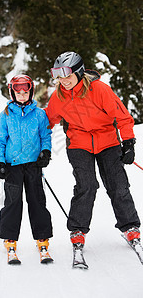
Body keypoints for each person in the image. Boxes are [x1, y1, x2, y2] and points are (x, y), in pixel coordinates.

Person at [45, 51, 141, 256]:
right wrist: (34, 146)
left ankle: (130, 226)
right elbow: (46, 122)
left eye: (67, 75)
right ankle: (78, 230)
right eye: (58, 76)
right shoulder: (59, 95)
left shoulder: (99, 90)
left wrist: (129, 143)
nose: (63, 81)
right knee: (86, 185)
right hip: (79, 144)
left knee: (117, 184)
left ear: (79, 73)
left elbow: (123, 117)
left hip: (108, 141)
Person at [0, 74, 53, 265]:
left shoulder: (39, 114)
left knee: (37, 201)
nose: (21, 94)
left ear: (30, 92)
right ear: (12, 92)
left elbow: (46, 135)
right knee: (13, 203)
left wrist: (45, 152)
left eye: (25, 91)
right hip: (12, 167)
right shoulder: (5, 115)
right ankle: (10, 240)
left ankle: (42, 239)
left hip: (33, 165)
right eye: (17, 91)